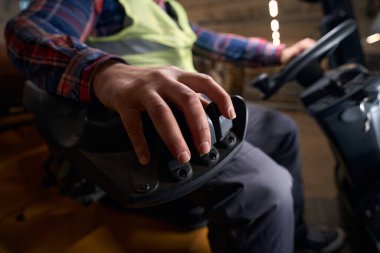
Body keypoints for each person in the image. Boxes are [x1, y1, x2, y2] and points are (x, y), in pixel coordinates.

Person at [5, 0, 345, 252]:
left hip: (190, 105)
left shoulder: (169, 9)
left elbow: (217, 42)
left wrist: (280, 54)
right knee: (263, 190)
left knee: (282, 128)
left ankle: (297, 239)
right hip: (141, 118)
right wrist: (107, 73)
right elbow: (27, 33)